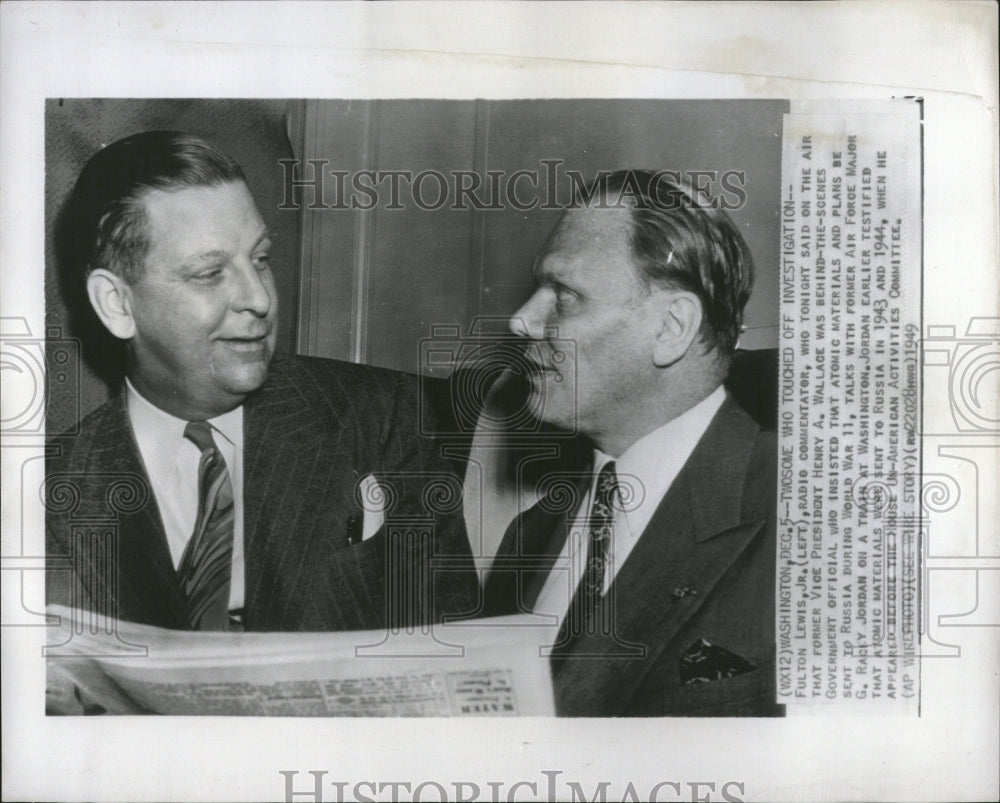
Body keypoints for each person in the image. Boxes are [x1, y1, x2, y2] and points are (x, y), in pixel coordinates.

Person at [46, 130, 477, 633]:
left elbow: (450, 645)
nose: (259, 298)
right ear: (117, 305)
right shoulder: (46, 490)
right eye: (210, 273)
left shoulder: (384, 418)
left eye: (261, 259)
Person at [482, 170, 781, 716]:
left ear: (672, 327)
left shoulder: (816, 519)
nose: (522, 321)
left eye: (565, 296)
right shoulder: (532, 534)